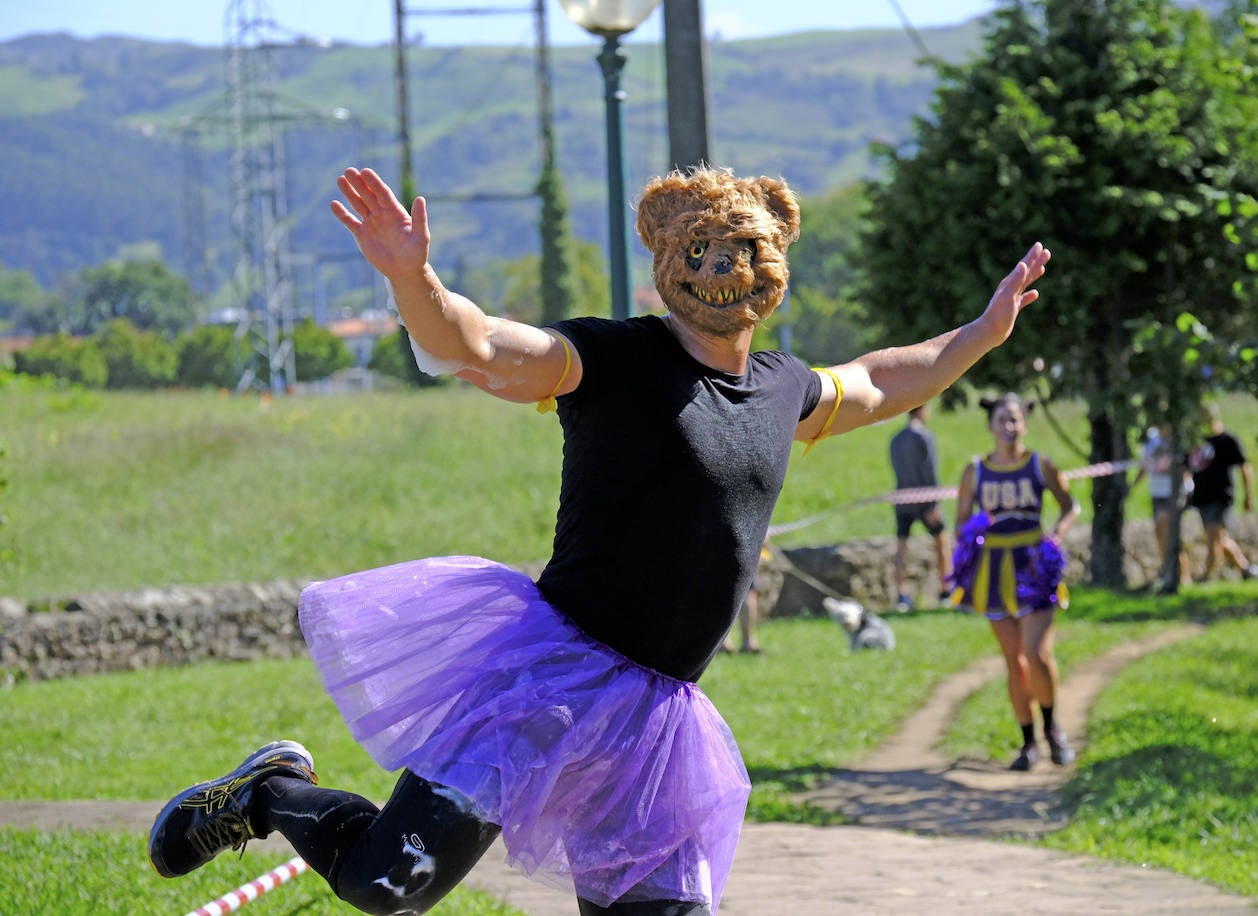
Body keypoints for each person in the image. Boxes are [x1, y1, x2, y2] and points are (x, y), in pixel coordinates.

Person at [147, 165, 1051, 916]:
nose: (723, 265)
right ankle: (266, 792)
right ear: (671, 258)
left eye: (742, 250)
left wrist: (982, 331)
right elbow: (482, 346)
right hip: (546, 679)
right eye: (702, 250)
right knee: (392, 883)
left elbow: (883, 380)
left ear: (773, 261)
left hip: (659, 722)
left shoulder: (784, 390)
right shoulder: (610, 358)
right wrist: (411, 281)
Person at [948, 392, 1079, 772]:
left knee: (1037, 654)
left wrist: (1055, 536)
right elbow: (960, 523)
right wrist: (973, 530)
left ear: (1025, 425)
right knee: (1014, 661)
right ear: (990, 426)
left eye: (1016, 419)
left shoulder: (1041, 465)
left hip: (1035, 567)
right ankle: (1027, 743)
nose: (1009, 426)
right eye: (1003, 420)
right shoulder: (975, 470)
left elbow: (1071, 507)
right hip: (992, 571)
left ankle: (1053, 728)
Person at [1188, 403, 1258, 582]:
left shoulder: (1228, 440)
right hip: (1202, 497)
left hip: (1221, 496)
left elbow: (1244, 467)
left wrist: (1248, 495)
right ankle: (1246, 569)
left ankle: (1206, 578)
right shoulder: (1198, 442)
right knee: (1218, 538)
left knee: (1214, 538)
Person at [889, 404, 952, 609]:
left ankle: (901, 595)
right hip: (925, 501)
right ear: (923, 410)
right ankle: (946, 591)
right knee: (942, 544)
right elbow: (930, 470)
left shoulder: (896, 439)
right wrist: (933, 504)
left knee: (901, 547)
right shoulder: (924, 437)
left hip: (902, 499)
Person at [1129, 420, 1192, 587]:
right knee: (1159, 531)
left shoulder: (1177, 438)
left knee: (1170, 531)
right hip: (1157, 492)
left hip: (1174, 491)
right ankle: (1168, 568)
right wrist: (1133, 484)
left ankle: (1183, 575)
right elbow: (1145, 463)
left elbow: (1187, 464)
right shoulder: (1151, 437)